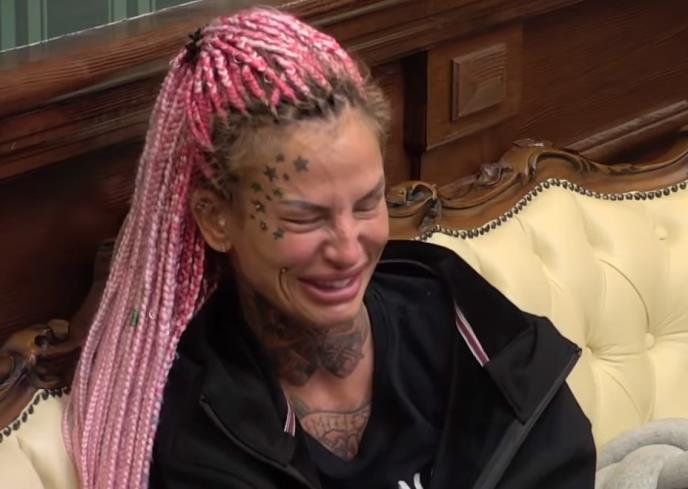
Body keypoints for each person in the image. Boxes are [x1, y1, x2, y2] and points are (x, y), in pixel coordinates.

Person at [64, 7, 596, 489]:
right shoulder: (206, 423)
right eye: (305, 217)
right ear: (216, 219)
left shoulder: (445, 304)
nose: (348, 250)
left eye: (366, 204)